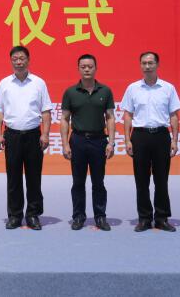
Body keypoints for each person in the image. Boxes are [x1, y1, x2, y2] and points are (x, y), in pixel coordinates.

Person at [0, 46, 53, 231]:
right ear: (11, 61)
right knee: (13, 178)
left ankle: (33, 215)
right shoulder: (4, 84)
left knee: (34, 177)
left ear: (28, 60)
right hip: (12, 136)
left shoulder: (39, 83)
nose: (19, 62)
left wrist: (45, 134)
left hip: (34, 135)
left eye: (22, 58)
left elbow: (46, 111)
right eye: (15, 59)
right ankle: (15, 216)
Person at [121, 51, 180, 232]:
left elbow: (174, 115)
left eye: (151, 63)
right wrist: (127, 139)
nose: (147, 66)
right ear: (140, 65)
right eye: (144, 63)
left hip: (161, 136)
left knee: (162, 179)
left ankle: (162, 218)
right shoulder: (133, 88)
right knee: (141, 180)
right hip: (140, 136)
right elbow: (128, 115)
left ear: (157, 65)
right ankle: (144, 218)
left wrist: (175, 140)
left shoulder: (168, 88)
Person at [60, 54, 116, 231]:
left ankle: (100, 217)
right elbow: (64, 119)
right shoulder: (70, 92)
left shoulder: (105, 91)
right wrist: (65, 144)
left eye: (90, 66)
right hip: (78, 140)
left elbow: (110, 117)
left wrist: (111, 142)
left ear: (96, 68)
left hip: (99, 140)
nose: (86, 69)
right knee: (78, 182)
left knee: (98, 182)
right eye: (83, 66)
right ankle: (78, 216)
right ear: (78, 69)